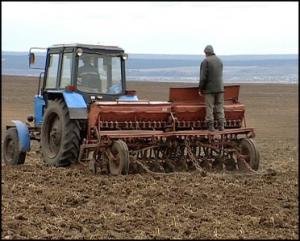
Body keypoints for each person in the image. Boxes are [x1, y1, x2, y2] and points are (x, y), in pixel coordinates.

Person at [198, 45, 225, 131]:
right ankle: (221, 125)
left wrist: (201, 89)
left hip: (209, 89)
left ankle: (211, 126)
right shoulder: (219, 60)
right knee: (219, 106)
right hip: (220, 88)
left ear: (206, 52)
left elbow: (203, 78)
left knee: (209, 107)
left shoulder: (205, 61)